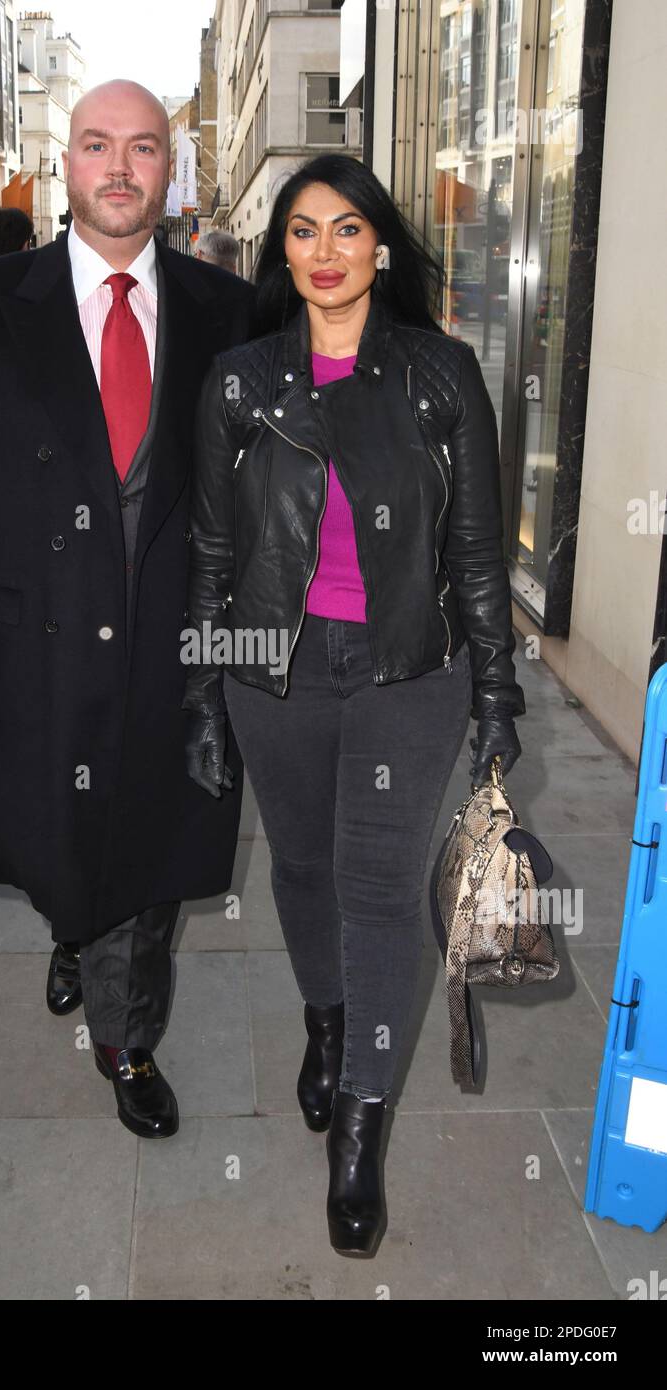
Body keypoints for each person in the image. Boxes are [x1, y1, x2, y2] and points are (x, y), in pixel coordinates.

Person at [184, 153, 526, 1255]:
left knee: (376, 890)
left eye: (345, 229)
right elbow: (212, 550)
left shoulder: (439, 375)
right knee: (300, 869)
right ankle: (324, 1024)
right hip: (269, 671)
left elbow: (474, 549)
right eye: (301, 231)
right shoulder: (238, 382)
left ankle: (360, 1131)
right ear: (278, 250)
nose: (323, 252)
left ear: (379, 244)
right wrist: (201, 694)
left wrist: (493, 688)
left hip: (403, 672)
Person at [0, 80, 255, 1139]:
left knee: (148, 858)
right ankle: (75, 927)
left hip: (170, 649)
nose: (118, 167)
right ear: (63, 163)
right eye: (96, 146)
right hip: (37, 644)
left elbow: (252, 498)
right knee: (67, 841)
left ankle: (127, 1039)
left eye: (142, 148)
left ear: (169, 169)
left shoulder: (226, 311)